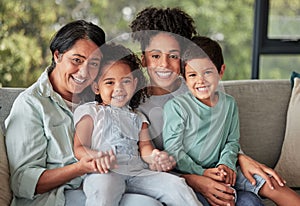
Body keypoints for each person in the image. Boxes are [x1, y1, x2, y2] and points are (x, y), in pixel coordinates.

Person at [130, 6, 287, 206]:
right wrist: (197, 181)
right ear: (143, 59)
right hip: (178, 184)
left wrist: (241, 158)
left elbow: (224, 137)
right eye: (155, 56)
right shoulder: (134, 103)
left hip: (217, 175)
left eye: (174, 56)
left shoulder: (200, 88)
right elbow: (143, 167)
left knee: (250, 201)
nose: (164, 64)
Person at [4, 20, 163, 206]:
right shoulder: (31, 104)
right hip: (56, 197)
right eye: (77, 60)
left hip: (103, 184)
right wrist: (80, 168)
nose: (84, 72)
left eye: (93, 63)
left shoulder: (96, 97)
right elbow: (22, 181)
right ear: (57, 55)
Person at [163, 35, 300, 206]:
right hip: (193, 175)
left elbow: (231, 141)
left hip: (228, 169)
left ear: (221, 71)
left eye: (208, 72)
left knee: (273, 184)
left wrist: (225, 165)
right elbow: (174, 150)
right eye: (192, 74)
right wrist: (203, 172)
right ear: (184, 77)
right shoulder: (176, 107)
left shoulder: (229, 104)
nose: (200, 80)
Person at [73, 43, 202, 206]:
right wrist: (95, 156)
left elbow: (145, 148)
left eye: (125, 81)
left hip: (138, 173)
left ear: (134, 84)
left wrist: (155, 156)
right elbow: (79, 147)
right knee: (102, 189)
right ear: (96, 87)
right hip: (106, 172)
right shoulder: (91, 112)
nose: (119, 88)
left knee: (176, 184)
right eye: (110, 82)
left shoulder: (138, 117)